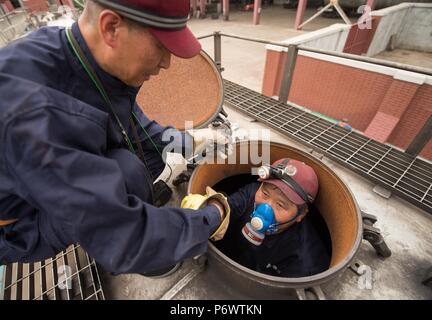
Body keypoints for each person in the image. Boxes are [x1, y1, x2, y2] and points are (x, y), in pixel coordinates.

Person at [0, 0, 231, 276]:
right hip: (19, 225)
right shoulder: (32, 115)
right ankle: (154, 262)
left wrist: (186, 141)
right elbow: (124, 238)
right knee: (129, 174)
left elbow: (133, 121)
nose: (167, 63)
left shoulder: (77, 53)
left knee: (138, 161)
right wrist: (214, 214)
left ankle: (149, 232)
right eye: (160, 46)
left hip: (46, 181)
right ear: (111, 27)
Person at [215, 158, 332, 278]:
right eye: (265, 194)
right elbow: (225, 206)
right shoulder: (251, 194)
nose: (266, 208)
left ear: (301, 215)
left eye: (280, 205)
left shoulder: (304, 262)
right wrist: (213, 209)